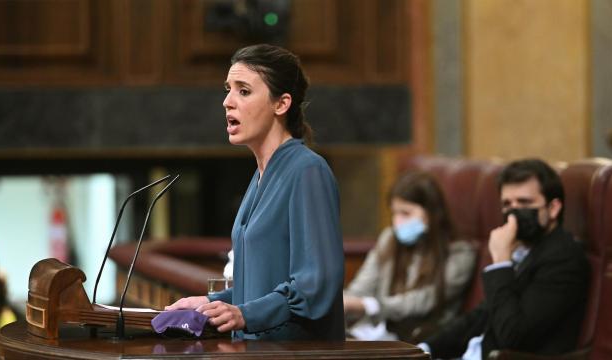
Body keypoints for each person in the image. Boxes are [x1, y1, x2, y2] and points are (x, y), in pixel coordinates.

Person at [165, 44, 345, 340]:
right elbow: (261, 285)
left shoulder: (307, 171)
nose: (227, 102)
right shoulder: (260, 175)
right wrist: (212, 303)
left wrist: (245, 314)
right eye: (227, 89)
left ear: (281, 104)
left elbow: (316, 286)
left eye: (243, 91)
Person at [418, 159, 590, 359]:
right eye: (507, 204)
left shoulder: (563, 259)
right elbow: (481, 315)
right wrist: (424, 349)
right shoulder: (525, 250)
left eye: (524, 202)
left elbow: (513, 336)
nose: (513, 213)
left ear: (553, 208)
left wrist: (501, 261)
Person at [343, 171, 476, 343]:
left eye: (406, 213)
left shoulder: (460, 253)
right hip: (373, 332)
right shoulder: (389, 238)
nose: (397, 222)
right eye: (394, 213)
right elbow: (361, 288)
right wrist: (344, 302)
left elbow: (423, 301)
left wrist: (370, 305)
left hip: (418, 338)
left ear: (432, 213)